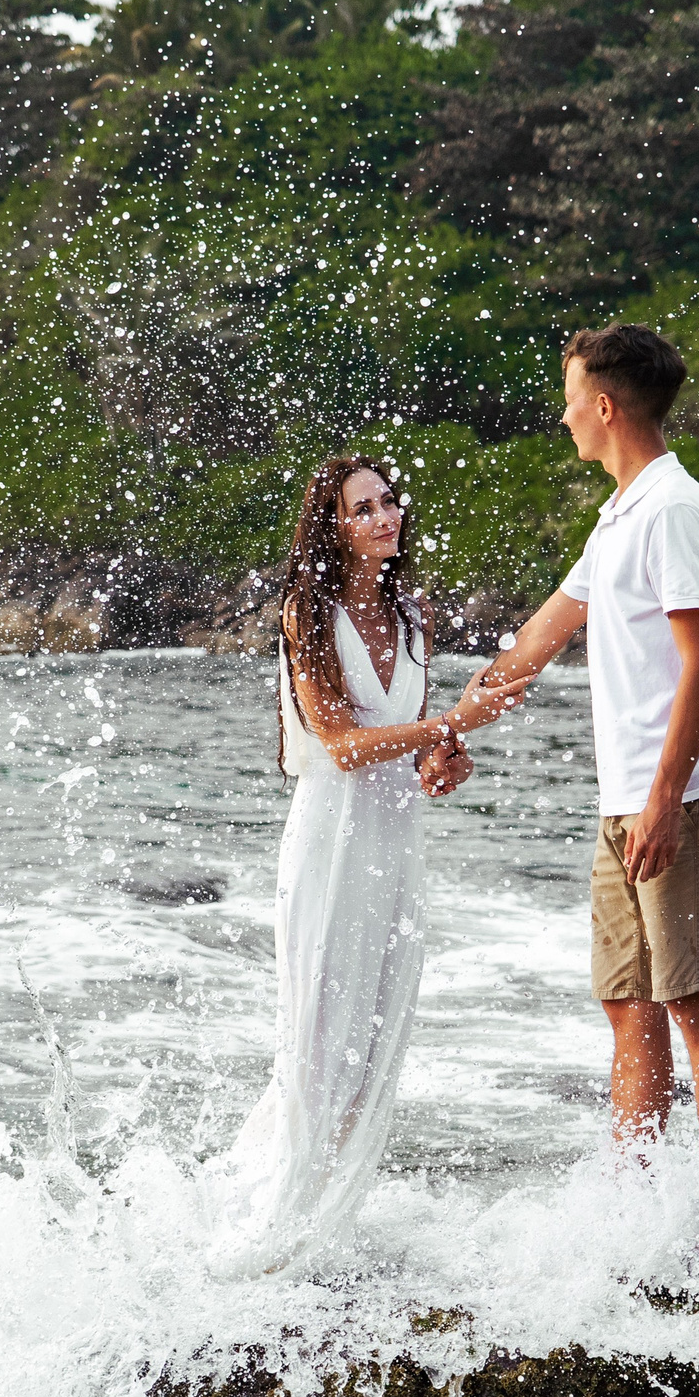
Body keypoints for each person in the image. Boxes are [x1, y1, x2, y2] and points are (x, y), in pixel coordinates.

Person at [211, 454, 530, 1276]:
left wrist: (446, 759)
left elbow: (415, 747)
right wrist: (450, 721)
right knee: (318, 1039)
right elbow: (344, 747)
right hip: (329, 845)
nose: (386, 516)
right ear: (334, 526)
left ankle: (325, 1227)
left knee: (375, 1039)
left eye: (389, 501)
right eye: (364, 508)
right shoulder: (305, 615)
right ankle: (265, 1229)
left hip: (396, 849)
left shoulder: (414, 615)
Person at [469, 323, 699, 1224]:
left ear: (603, 405)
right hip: (622, 801)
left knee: (694, 1005)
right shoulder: (620, 513)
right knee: (628, 1007)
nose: (561, 419)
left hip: (677, 795)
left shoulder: (674, 508)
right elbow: (539, 641)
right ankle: (635, 1219)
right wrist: (445, 726)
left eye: (568, 401)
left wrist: (667, 801)